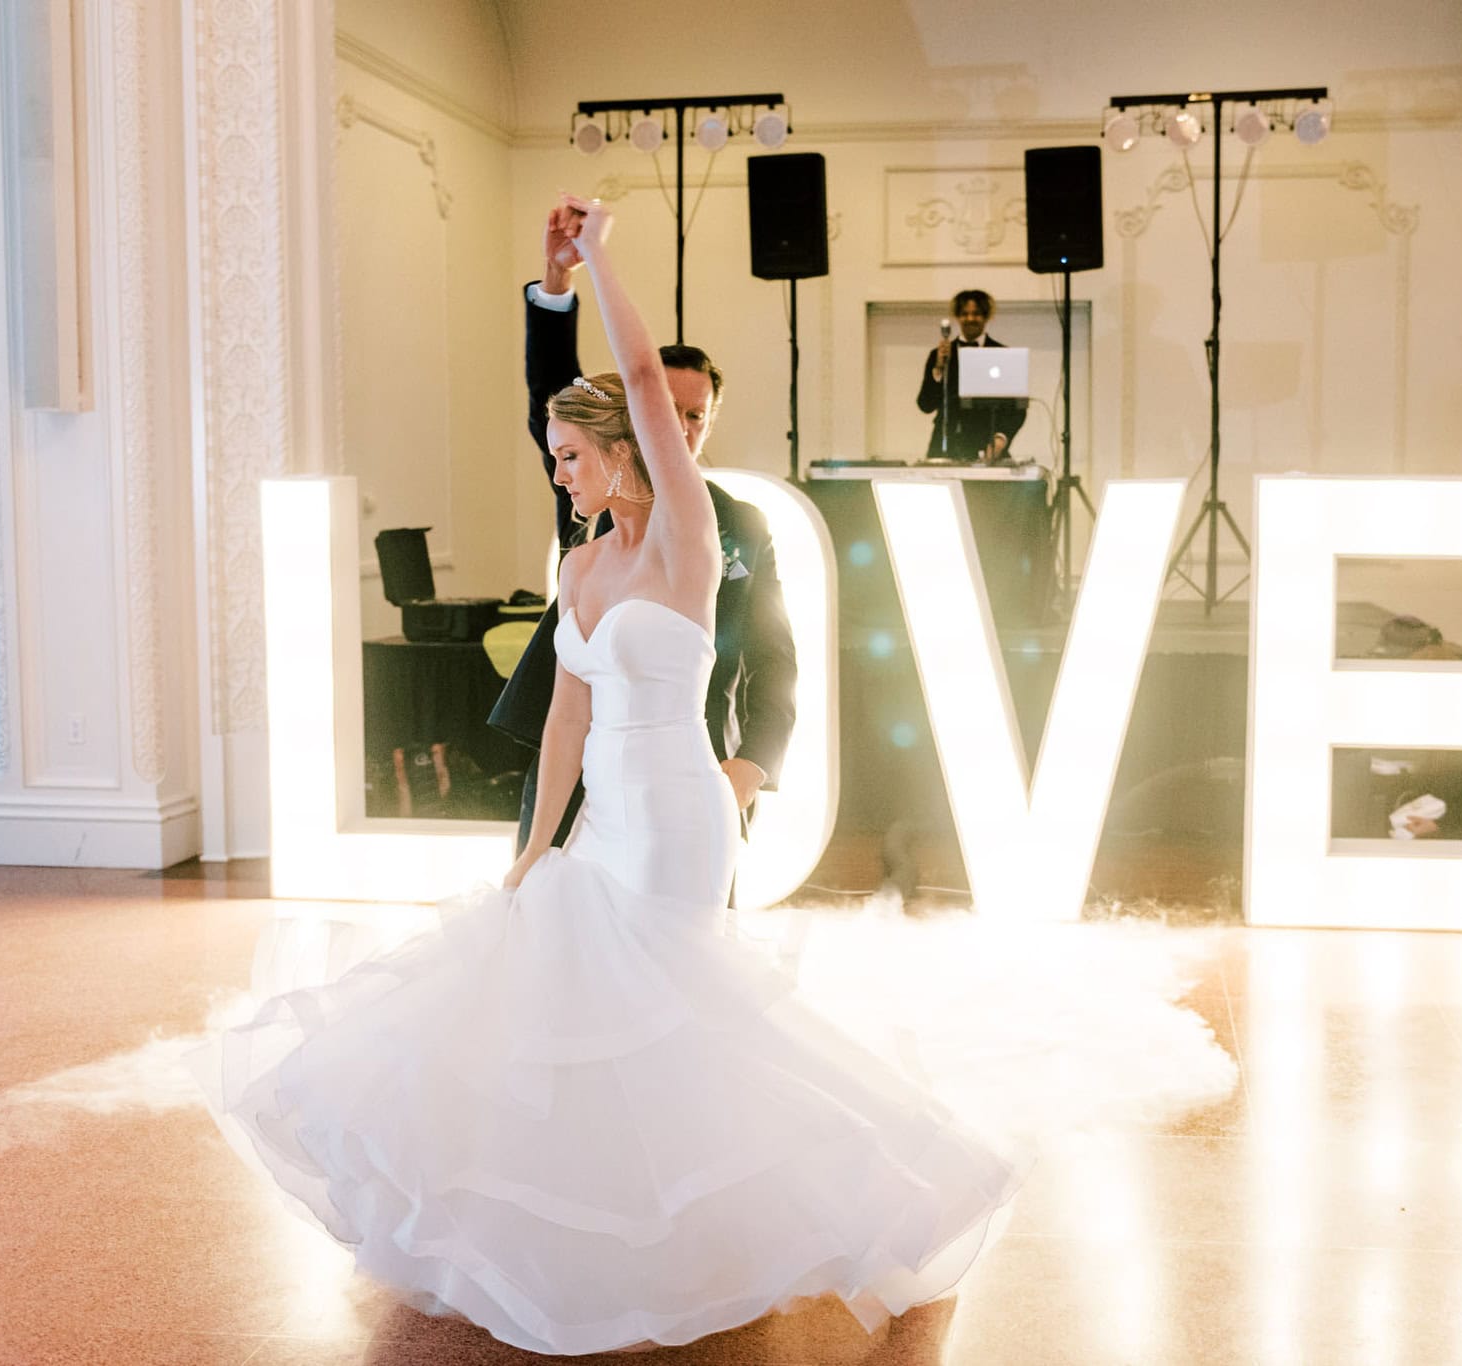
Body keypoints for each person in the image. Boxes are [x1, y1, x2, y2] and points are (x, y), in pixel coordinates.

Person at [190, 196, 1022, 1357]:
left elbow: (633, 374)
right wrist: (534, 853)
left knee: (676, 1013)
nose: (563, 475)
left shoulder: (691, 532)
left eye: (575, 456)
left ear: (637, 444)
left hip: (681, 813)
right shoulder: (581, 558)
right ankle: (601, 1232)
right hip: (599, 822)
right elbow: (570, 714)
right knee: (565, 1006)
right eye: (554, 460)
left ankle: (809, 1205)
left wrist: (596, 258)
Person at [490, 203, 796, 856]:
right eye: (666, 409)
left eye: (696, 415)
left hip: (688, 784)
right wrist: (556, 279)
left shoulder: (734, 523)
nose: (680, 427)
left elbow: (774, 665)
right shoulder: (586, 491)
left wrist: (742, 775)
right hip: (572, 777)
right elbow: (554, 393)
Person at [916, 289, 1026, 461]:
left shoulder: (1003, 354)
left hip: (986, 444)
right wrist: (938, 369)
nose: (970, 319)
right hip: (945, 444)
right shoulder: (939, 355)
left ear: (986, 316)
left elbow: (1016, 409)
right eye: (964, 314)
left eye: (976, 314)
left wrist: (1001, 438)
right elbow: (925, 405)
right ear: (957, 317)